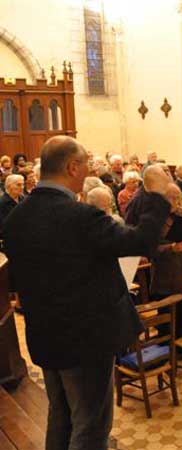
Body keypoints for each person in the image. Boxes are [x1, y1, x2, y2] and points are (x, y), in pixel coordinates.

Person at [3, 136, 171, 450]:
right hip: (87, 339)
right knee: (91, 428)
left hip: (46, 335)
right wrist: (158, 196)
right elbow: (142, 242)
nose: (89, 171)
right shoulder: (80, 216)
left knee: (61, 418)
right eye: (86, 165)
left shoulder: (15, 219)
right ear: (72, 167)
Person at [151, 183, 182, 338]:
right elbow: (149, 248)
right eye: (171, 198)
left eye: (177, 197)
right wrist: (171, 247)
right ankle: (168, 347)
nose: (175, 201)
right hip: (166, 275)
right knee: (168, 319)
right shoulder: (153, 219)